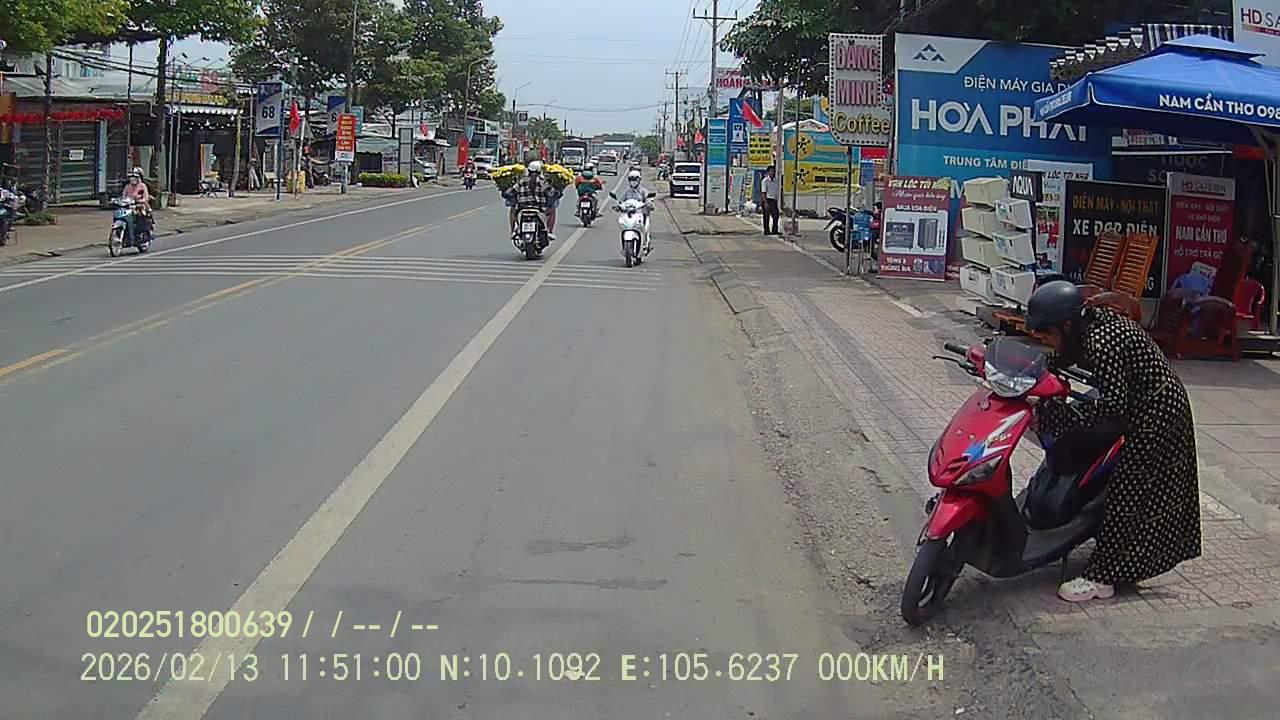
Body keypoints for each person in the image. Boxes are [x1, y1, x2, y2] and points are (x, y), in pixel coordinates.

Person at [1024, 281, 1202, 603]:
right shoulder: (1086, 325)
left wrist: (1057, 416)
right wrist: (1027, 373)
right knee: (1127, 488)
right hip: (1144, 405)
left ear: (1066, 325)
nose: (1047, 341)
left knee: (1128, 491)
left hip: (1157, 414)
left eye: (1048, 334)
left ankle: (1102, 579)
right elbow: (1060, 358)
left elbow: (1112, 406)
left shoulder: (1101, 341)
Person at [506, 159, 560, 241]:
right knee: (553, 209)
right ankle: (550, 232)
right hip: (539, 208)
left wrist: (506, 193)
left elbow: (511, 191)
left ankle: (512, 231)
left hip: (522, 208)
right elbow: (551, 193)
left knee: (512, 209)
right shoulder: (542, 181)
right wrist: (557, 193)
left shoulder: (522, 180)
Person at [122, 167, 154, 239]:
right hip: (129, 206)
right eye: (131, 177)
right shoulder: (127, 186)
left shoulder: (142, 186)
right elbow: (123, 196)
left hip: (140, 206)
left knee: (140, 214)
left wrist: (141, 200)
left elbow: (146, 197)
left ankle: (140, 232)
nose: (132, 179)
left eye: (135, 177)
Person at [761, 165, 781, 235]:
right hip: (767, 199)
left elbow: (777, 191)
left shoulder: (776, 181)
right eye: (771, 171)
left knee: (776, 215)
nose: (773, 173)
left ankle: (774, 230)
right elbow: (763, 192)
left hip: (773, 200)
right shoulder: (765, 181)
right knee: (766, 216)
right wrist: (765, 203)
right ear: (768, 172)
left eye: (774, 171)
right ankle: (766, 230)